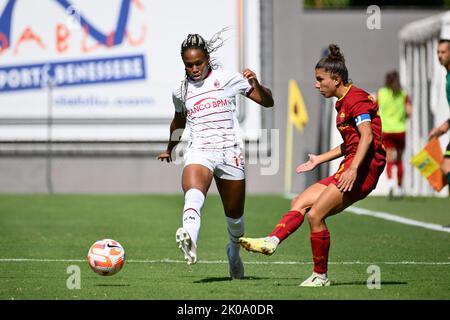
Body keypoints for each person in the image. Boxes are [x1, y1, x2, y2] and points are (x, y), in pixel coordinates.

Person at [239, 44, 386, 287]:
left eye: (320, 79)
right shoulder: (342, 100)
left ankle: (320, 276)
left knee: (316, 214)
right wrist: (320, 159)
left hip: (363, 170)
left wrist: (352, 169)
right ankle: (271, 241)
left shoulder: (356, 100)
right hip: (351, 164)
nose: (316, 84)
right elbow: (352, 142)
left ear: (336, 79)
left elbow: (367, 136)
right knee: (300, 202)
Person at [157, 32, 274, 279]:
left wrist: (256, 84)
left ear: (207, 58)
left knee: (235, 220)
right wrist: (170, 148)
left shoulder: (228, 79)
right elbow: (178, 121)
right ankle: (190, 237)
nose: (195, 68)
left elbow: (267, 102)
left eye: (198, 62)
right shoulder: (181, 91)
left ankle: (233, 252)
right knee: (193, 194)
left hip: (230, 153)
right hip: (200, 151)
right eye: (189, 65)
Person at [377, 70, 412, 199]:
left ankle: (391, 183)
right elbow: (409, 112)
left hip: (387, 131)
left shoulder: (381, 93)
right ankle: (399, 187)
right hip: (400, 130)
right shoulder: (403, 94)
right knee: (400, 160)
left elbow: (373, 109)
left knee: (390, 158)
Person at [428, 39, 450, 196]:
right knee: (445, 168)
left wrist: (443, 128)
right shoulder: (447, 76)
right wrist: (442, 128)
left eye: (443, 52)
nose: (439, 56)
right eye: (438, 52)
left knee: (446, 167)